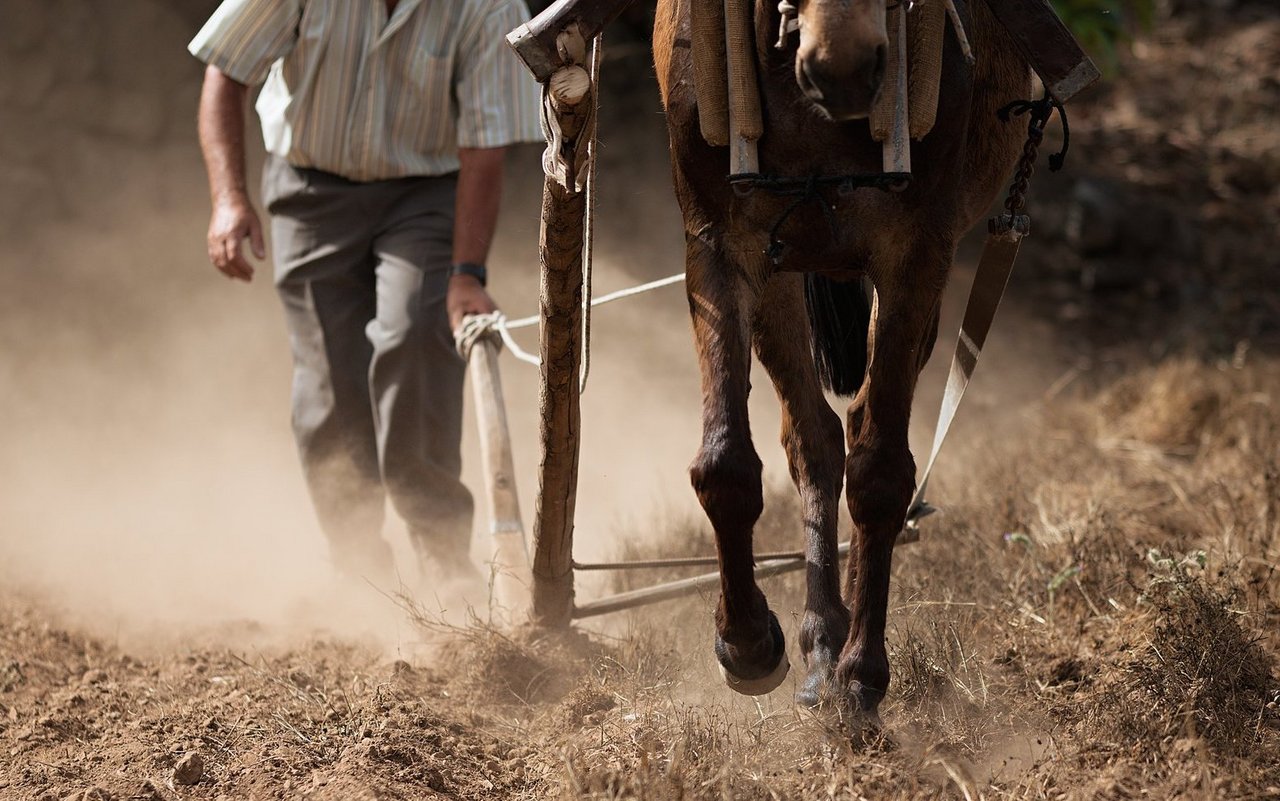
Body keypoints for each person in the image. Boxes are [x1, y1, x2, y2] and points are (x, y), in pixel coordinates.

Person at [189, 0, 540, 588]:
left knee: (412, 335)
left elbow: (485, 147)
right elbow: (225, 72)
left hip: (423, 194)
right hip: (308, 189)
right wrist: (229, 199)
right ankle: (358, 568)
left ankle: (442, 556)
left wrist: (466, 274)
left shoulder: (488, 6)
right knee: (329, 382)